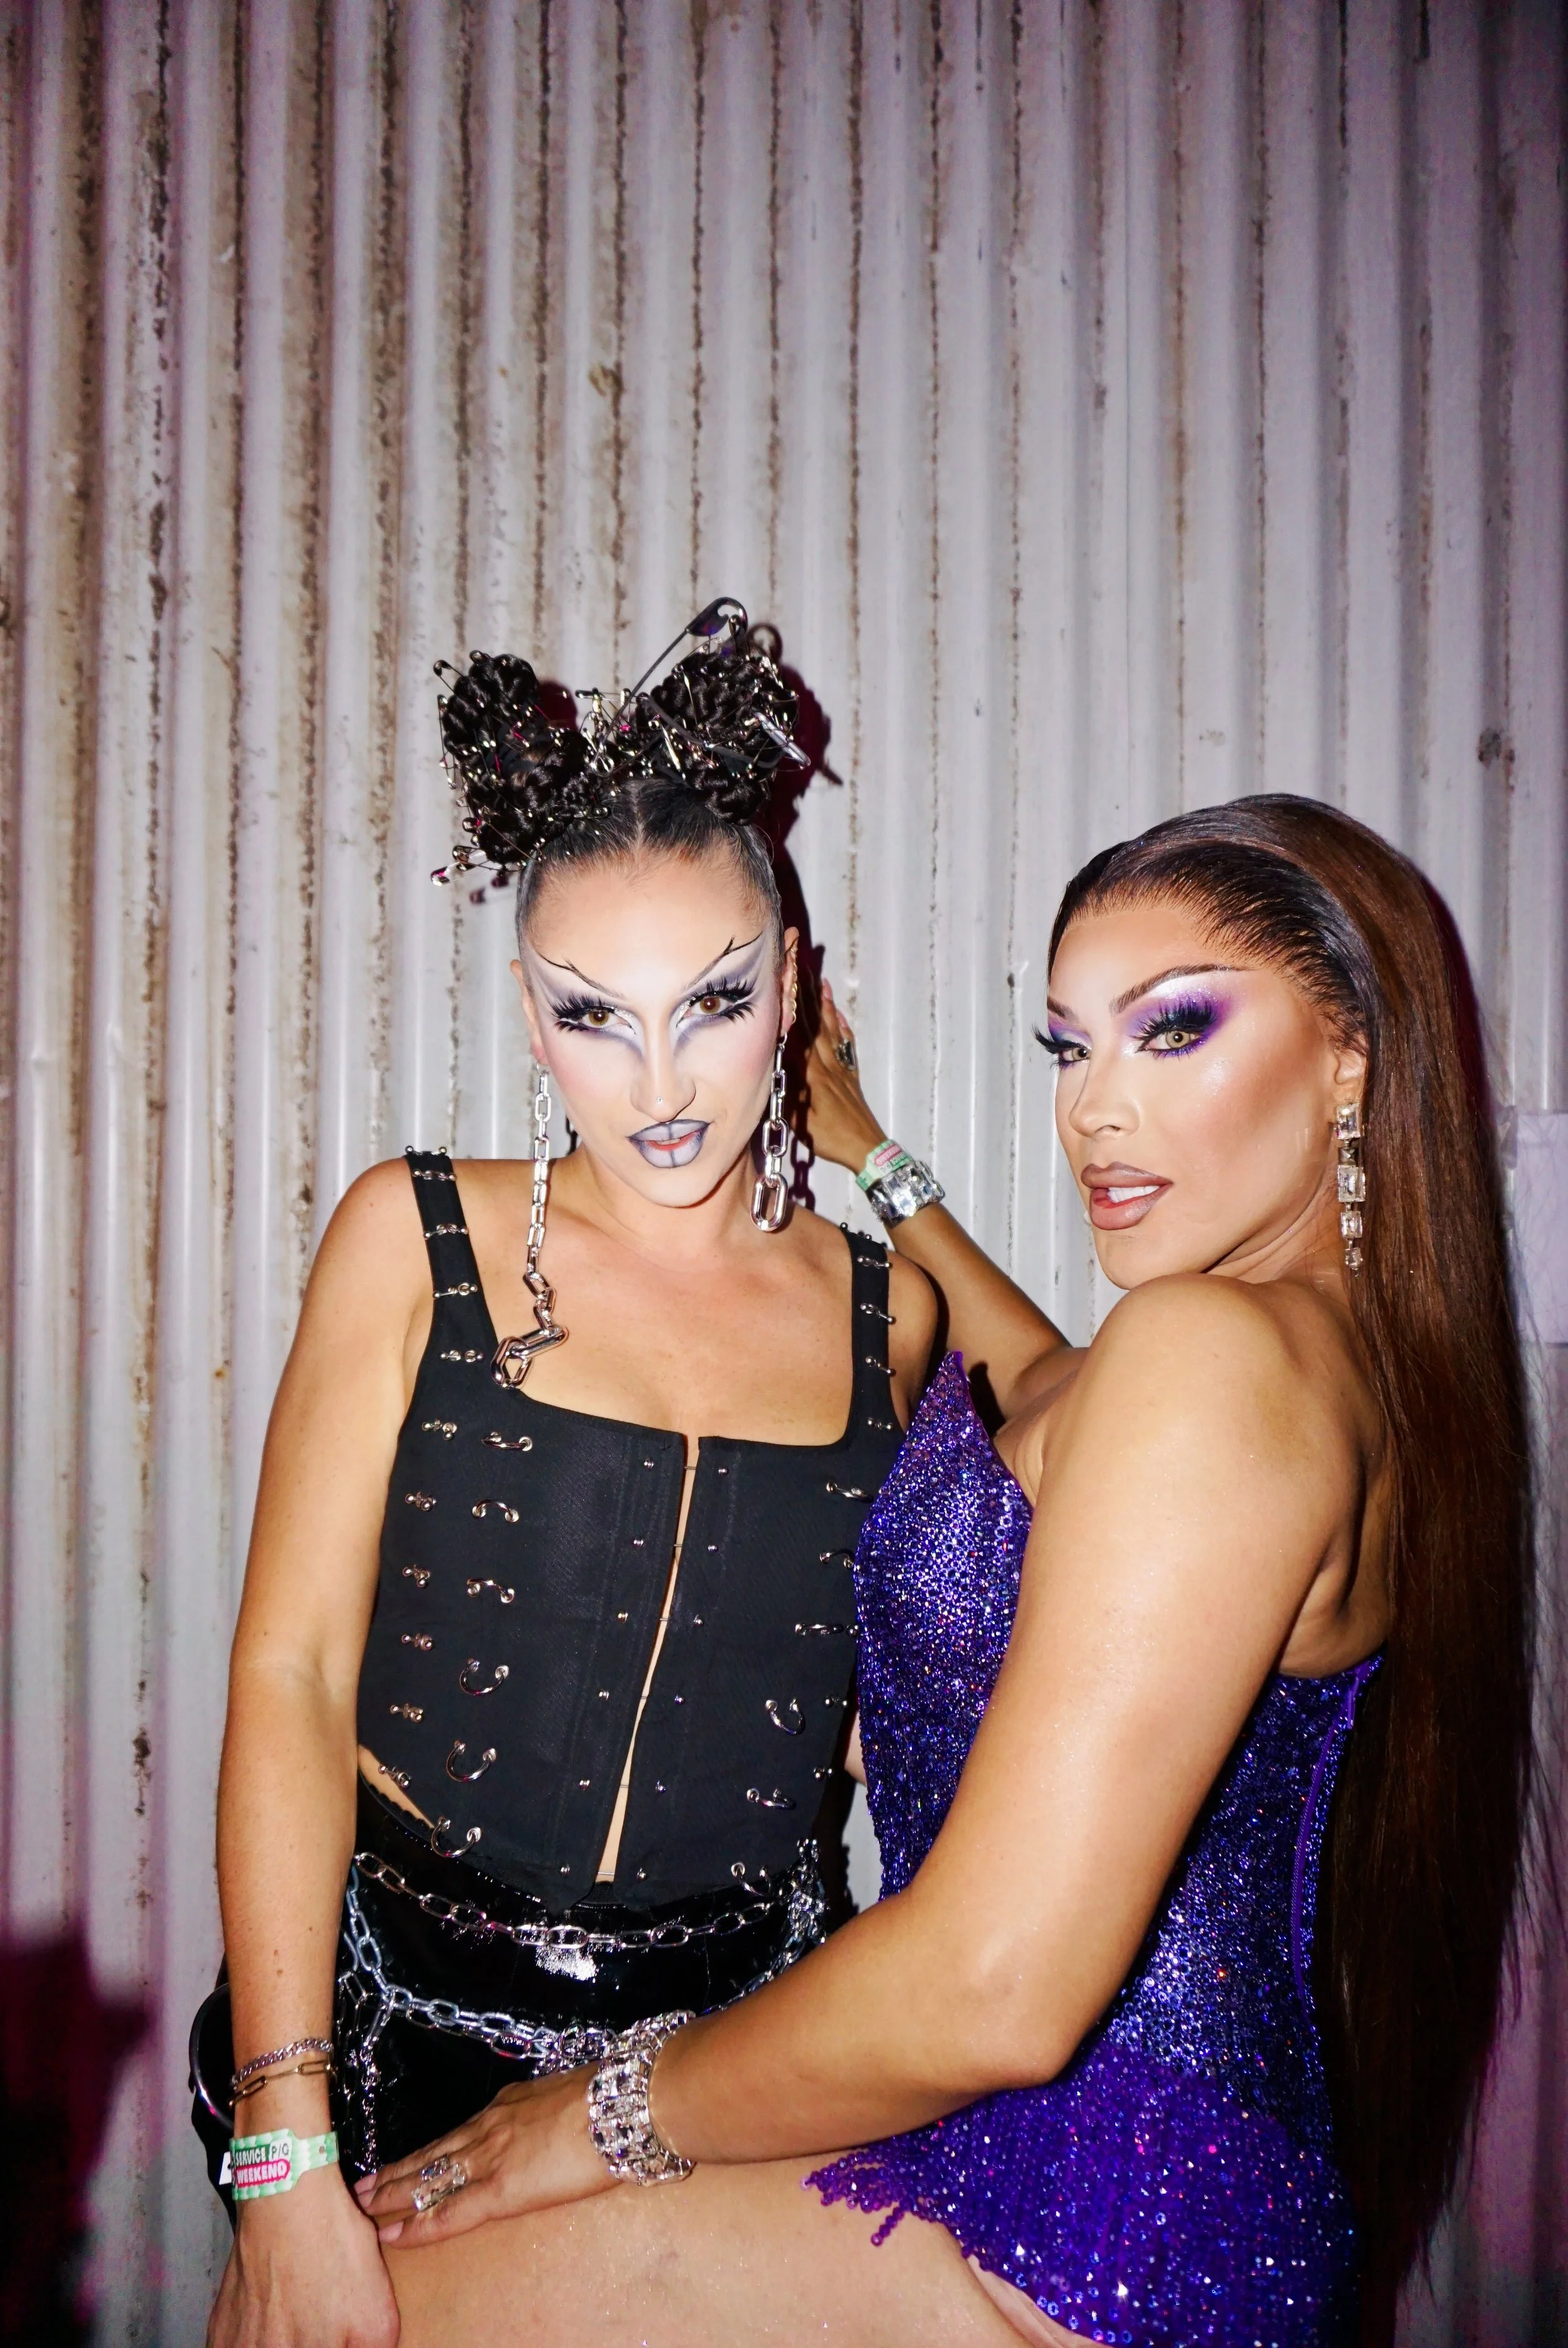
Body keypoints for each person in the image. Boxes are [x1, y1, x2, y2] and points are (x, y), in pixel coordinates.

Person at [356, 797, 1536, 2348]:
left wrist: (594, 2115)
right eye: (1067, 1047)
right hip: (1141, 2187)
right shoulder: (1288, 1361)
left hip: (1077, 2214)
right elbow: (1040, 1392)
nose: (1093, 1112)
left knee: (369, 2297)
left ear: (1346, 1052)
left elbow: (992, 1985)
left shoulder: (1212, 1363)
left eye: (1168, 1031)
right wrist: (872, 1153)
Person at [202, 605, 1056, 2348]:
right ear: (529, 1011)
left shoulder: (889, 1310)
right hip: (393, 2022)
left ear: (793, 990)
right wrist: (284, 2139)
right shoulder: (408, 1233)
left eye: (716, 1003)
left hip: (730, 2044)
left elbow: (1088, 1413)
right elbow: (287, 1673)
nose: (660, 1085)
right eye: (596, 1017)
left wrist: (880, 1156)